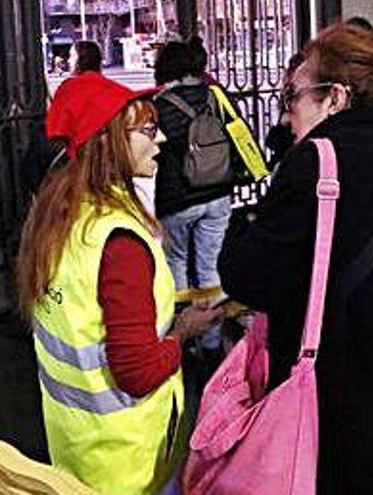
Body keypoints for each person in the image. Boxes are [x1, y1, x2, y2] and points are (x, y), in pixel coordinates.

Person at [218, 23, 373, 495]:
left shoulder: (315, 164)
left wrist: (241, 225)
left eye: (293, 97)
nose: (287, 116)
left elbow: (245, 276)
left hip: (337, 408)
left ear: (335, 99)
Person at [17, 72, 222, 495]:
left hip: (76, 447)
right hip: (131, 462)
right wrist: (185, 331)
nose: (161, 139)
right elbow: (138, 372)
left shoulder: (59, 216)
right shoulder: (120, 240)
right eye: (147, 129)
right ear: (109, 139)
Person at [153, 38, 234, 356]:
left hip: (178, 200)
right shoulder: (217, 96)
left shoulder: (161, 107)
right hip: (218, 195)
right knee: (209, 266)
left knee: (176, 262)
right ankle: (213, 342)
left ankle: (184, 341)